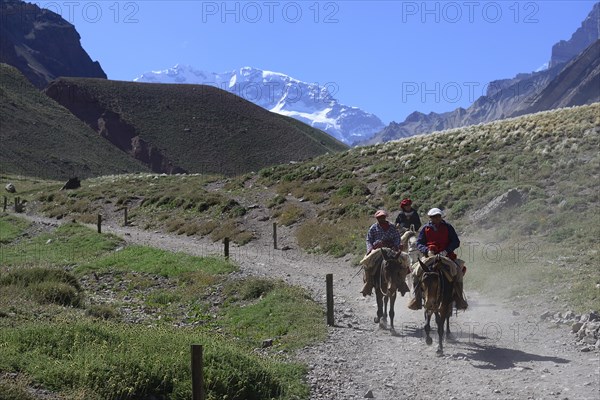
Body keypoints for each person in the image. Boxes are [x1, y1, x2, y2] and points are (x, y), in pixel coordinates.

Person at [407, 207, 468, 310]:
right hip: (429, 256)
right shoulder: (425, 228)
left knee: (458, 272)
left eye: (437, 217)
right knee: (415, 273)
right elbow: (419, 243)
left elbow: (455, 241)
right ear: (430, 218)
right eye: (432, 217)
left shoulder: (448, 227)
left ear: (440, 217)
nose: (435, 219)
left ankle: (459, 298)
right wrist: (426, 250)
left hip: (446, 255)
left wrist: (446, 250)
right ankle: (417, 299)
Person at [361, 210, 404, 296]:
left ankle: (402, 283)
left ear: (385, 217)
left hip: (391, 249)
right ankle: (368, 283)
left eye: (383, 217)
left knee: (404, 261)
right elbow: (369, 240)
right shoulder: (373, 228)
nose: (381, 219)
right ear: (377, 218)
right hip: (378, 249)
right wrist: (370, 249)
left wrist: (396, 245)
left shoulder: (392, 227)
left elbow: (397, 238)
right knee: (366, 262)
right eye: (379, 218)